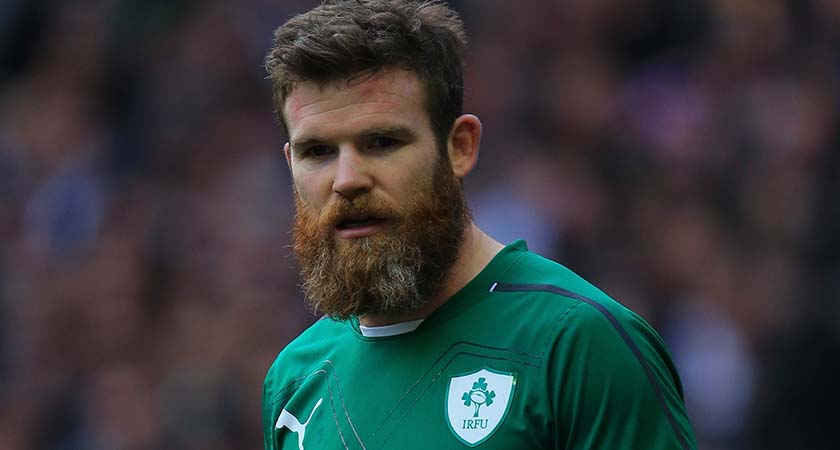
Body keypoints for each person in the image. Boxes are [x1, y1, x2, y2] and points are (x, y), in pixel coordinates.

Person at [262, 1, 696, 449]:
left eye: (381, 142)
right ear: (290, 163)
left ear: (460, 148)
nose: (347, 180)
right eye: (318, 152)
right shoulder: (294, 382)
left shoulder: (579, 343)